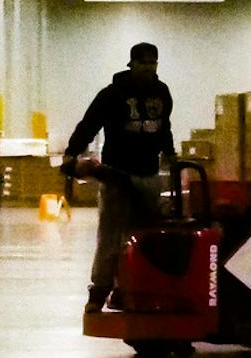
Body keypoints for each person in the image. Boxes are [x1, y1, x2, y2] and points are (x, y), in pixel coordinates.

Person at [62, 42, 176, 310]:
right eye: (144, 63)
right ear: (132, 64)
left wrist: (170, 155)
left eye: (153, 63)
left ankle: (135, 288)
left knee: (147, 237)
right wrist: (72, 153)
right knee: (111, 237)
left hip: (149, 176)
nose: (149, 68)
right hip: (117, 176)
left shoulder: (162, 92)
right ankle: (99, 291)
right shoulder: (113, 94)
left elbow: (164, 128)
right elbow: (89, 124)